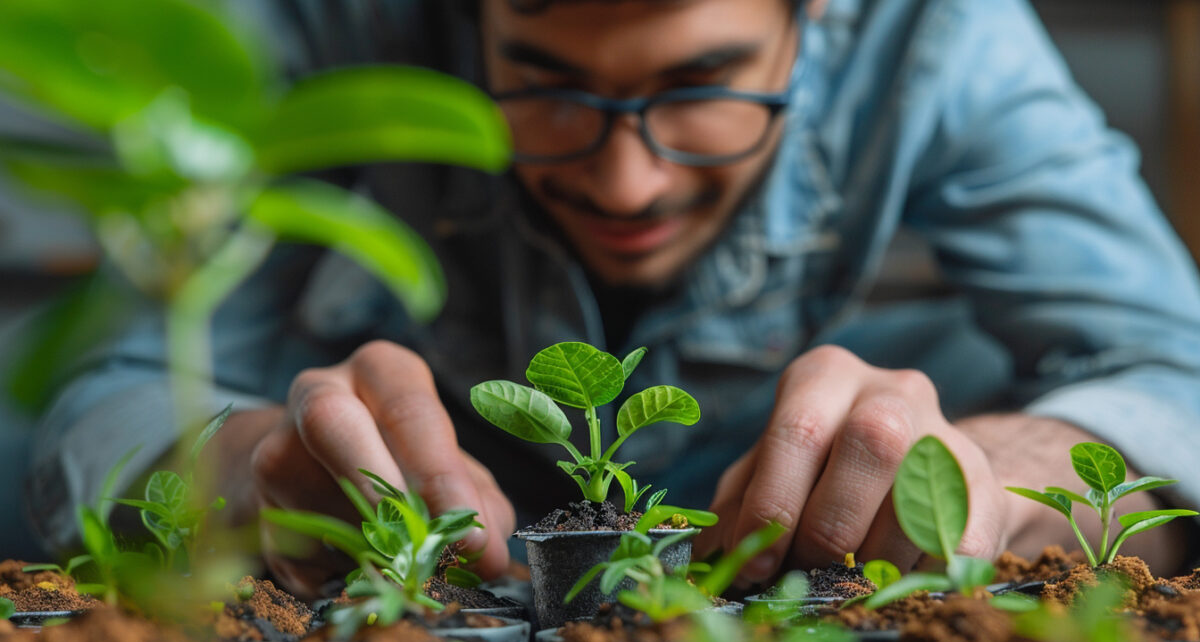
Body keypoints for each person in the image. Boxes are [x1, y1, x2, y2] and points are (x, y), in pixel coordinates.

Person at [27, 0, 1200, 596]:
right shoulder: (318, 23)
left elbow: (1171, 364)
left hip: (777, 494)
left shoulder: (940, 32)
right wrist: (245, 463)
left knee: (962, 374)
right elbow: (113, 389)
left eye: (703, 87)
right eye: (545, 87)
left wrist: (990, 469)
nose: (627, 179)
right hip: (420, 508)